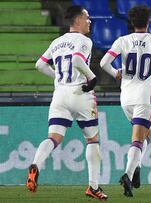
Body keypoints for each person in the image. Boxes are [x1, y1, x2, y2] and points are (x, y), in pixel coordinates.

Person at [25, 6, 108, 200]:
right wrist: (92, 77)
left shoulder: (57, 42)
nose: (89, 21)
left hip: (60, 94)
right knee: (93, 140)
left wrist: (58, 78)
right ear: (77, 20)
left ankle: (36, 164)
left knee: (53, 137)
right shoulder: (84, 40)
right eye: (87, 17)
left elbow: (40, 64)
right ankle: (93, 187)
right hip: (81, 93)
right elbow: (78, 60)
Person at [100, 5, 151, 197]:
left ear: (132, 22)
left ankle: (137, 167)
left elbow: (103, 63)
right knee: (138, 140)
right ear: (148, 21)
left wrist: (116, 73)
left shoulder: (122, 41)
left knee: (147, 135)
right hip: (144, 98)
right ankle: (128, 174)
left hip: (126, 98)